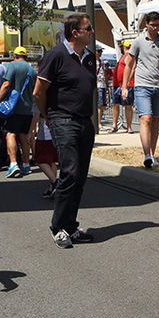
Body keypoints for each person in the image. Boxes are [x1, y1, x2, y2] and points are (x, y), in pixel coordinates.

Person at [34, 13, 98, 249]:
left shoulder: (90, 58)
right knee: (69, 172)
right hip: (62, 119)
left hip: (84, 122)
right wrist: (48, 116)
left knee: (80, 176)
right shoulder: (56, 55)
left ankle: (71, 226)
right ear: (75, 33)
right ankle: (58, 227)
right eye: (89, 28)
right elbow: (38, 92)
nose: (92, 32)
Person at [123, 11, 159, 168]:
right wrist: (124, 86)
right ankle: (147, 154)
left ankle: (152, 154)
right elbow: (129, 65)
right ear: (146, 24)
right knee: (146, 118)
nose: (155, 28)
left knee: (155, 120)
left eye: (158, 25)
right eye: (153, 25)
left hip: (158, 86)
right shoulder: (138, 42)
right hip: (142, 85)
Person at [0, 46, 36, 178]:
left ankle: (13, 164)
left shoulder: (13, 65)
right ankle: (25, 164)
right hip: (28, 109)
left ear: (15, 56)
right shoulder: (33, 70)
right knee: (24, 136)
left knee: (10, 134)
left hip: (15, 107)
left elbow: (6, 84)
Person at [110, 41, 134, 132]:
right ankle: (115, 125)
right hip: (117, 84)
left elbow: (132, 69)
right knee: (115, 104)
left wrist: (127, 83)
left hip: (125, 85)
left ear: (124, 47)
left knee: (127, 105)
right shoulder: (122, 57)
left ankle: (129, 126)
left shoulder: (129, 56)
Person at [33, 116, 59, 199]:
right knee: (51, 160)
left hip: (45, 131)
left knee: (40, 159)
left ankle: (55, 183)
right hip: (55, 127)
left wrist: (31, 131)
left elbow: (36, 114)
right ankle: (51, 187)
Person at [96, 47, 110, 129]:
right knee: (99, 105)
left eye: (101, 51)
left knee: (103, 105)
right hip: (97, 85)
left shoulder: (102, 62)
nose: (100, 52)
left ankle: (99, 121)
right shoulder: (92, 61)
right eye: (99, 51)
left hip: (103, 84)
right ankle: (99, 123)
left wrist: (107, 85)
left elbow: (105, 74)